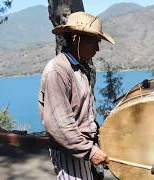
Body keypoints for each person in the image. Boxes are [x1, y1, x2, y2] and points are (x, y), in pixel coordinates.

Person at [38, 12, 115, 180]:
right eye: (93, 41)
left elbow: (83, 113)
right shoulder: (58, 70)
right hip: (70, 154)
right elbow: (60, 125)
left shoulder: (80, 68)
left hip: (83, 148)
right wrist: (90, 151)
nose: (97, 48)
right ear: (75, 38)